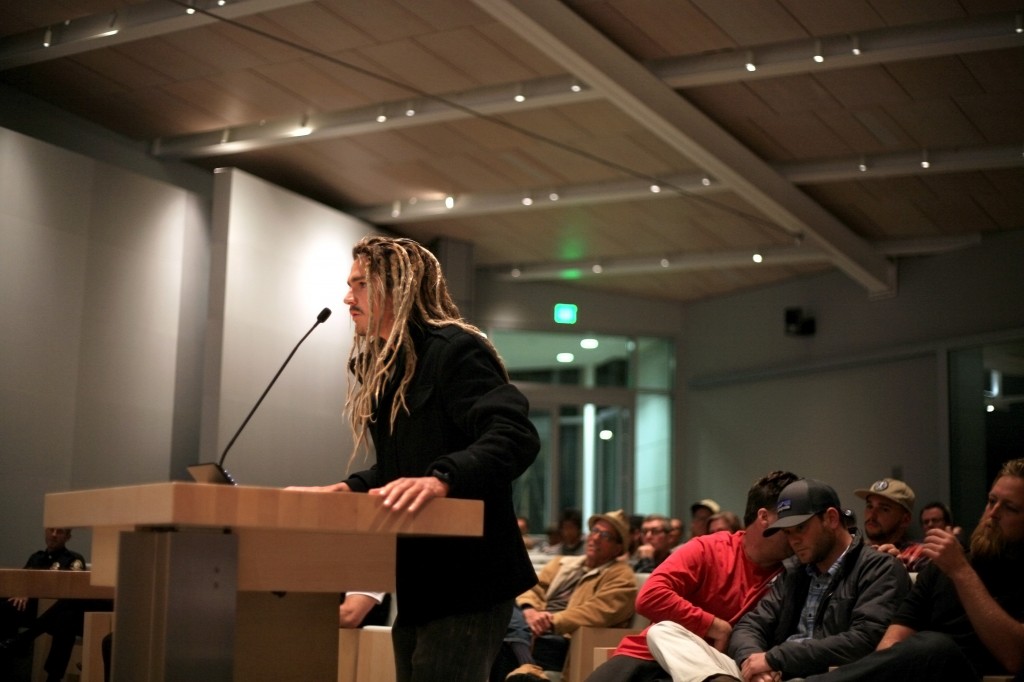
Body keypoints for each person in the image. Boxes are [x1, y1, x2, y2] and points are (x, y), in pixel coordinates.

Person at [287, 236, 540, 682]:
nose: (348, 298)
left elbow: (514, 434)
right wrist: (350, 488)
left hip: (470, 579)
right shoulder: (389, 367)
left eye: (360, 284)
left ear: (398, 286)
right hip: (420, 579)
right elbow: (397, 471)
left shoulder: (454, 350)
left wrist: (442, 478)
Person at [647, 478, 911, 681]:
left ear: (831, 518)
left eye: (800, 528)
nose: (793, 540)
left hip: (824, 675)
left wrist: (776, 659)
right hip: (771, 673)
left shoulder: (879, 568)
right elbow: (749, 625)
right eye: (786, 532)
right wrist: (756, 664)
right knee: (663, 631)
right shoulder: (796, 572)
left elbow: (864, 640)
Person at [801, 457, 1024, 681]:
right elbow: (892, 644)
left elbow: (1015, 656)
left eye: (1010, 508)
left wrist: (961, 572)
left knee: (937, 646)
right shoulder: (939, 569)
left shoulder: (952, 564)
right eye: (991, 501)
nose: (993, 513)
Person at [585, 471, 799, 682]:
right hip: (655, 655)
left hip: (725, 664)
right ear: (764, 517)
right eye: (792, 521)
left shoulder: (795, 571)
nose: (798, 531)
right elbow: (650, 596)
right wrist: (714, 625)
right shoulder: (710, 548)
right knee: (661, 632)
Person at [494, 510, 638, 682]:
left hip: (562, 635)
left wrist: (550, 621)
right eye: (595, 531)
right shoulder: (563, 563)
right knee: (501, 611)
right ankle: (525, 663)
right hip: (531, 623)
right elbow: (531, 587)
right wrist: (530, 610)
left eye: (606, 535)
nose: (596, 537)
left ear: (618, 548)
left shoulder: (622, 576)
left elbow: (597, 612)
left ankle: (525, 664)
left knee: (504, 635)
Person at [0, 528, 112, 682]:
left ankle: (26, 639)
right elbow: (22, 582)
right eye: (50, 530)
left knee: (67, 614)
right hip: (35, 611)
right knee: (7, 606)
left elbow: (74, 592)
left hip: (59, 613)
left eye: (59, 532)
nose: (53, 535)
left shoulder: (73, 559)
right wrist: (23, 592)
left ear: (68, 537)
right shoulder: (36, 558)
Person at [855, 477, 928, 571]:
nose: (872, 515)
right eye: (869, 506)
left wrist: (897, 568)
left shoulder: (920, 554)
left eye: (884, 509)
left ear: (905, 520)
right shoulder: (856, 551)